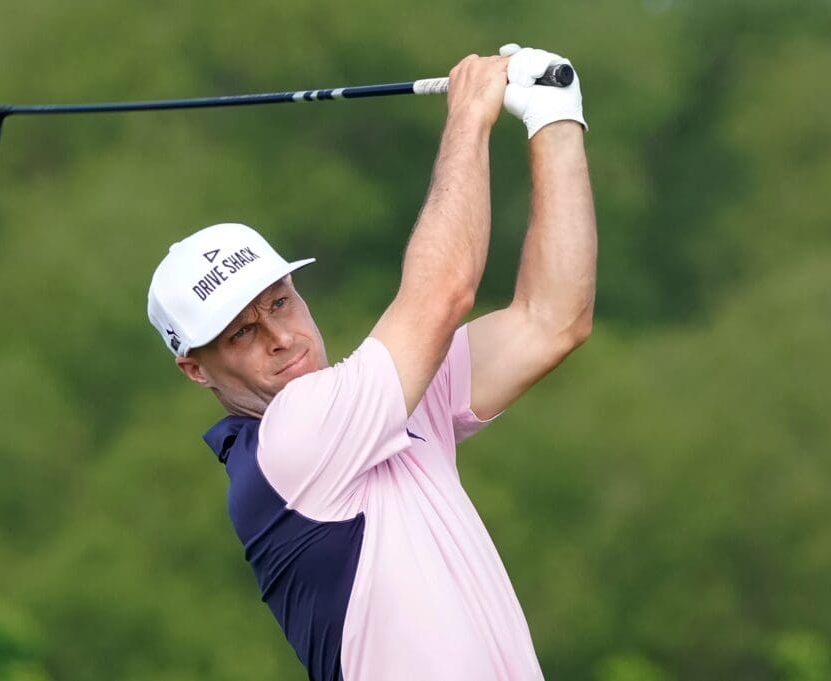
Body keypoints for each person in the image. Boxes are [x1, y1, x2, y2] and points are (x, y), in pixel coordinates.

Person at [146, 43, 596, 681]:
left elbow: (551, 320)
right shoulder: (291, 439)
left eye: (280, 302)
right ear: (196, 368)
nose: (280, 335)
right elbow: (443, 294)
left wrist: (555, 117)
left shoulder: (386, 404)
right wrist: (470, 116)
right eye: (241, 333)